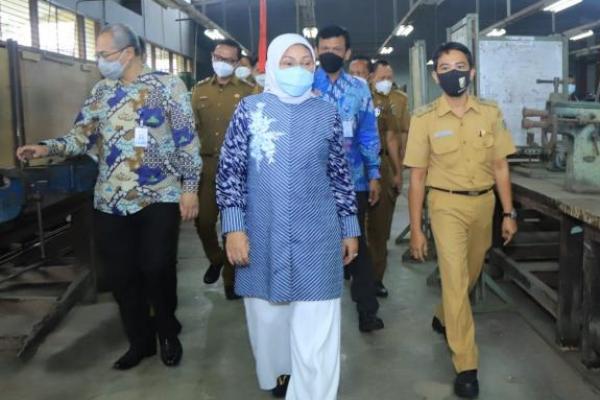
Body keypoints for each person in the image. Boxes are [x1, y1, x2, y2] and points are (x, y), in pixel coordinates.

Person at [16, 23, 201, 370]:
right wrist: (46, 148)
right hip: (111, 199)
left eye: (104, 54)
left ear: (128, 53)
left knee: (157, 267)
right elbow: (80, 137)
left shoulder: (168, 86)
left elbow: (187, 142)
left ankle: (167, 331)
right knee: (121, 274)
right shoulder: (101, 91)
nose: (99, 60)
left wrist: (190, 189)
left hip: (158, 194)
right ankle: (140, 341)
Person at [216, 33, 360, 400]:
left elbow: (339, 175)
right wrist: (234, 229)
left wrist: (349, 228)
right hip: (262, 233)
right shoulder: (249, 110)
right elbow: (230, 173)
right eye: (288, 63)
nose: (299, 70)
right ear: (272, 66)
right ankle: (281, 378)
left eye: (306, 63)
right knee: (268, 324)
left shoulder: (326, 112)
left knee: (317, 338)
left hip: (318, 236)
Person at [404, 42, 518, 399]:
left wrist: (509, 212)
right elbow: (417, 178)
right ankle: (466, 364)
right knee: (454, 278)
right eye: (444, 67)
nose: (453, 73)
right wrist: (416, 230)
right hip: (445, 205)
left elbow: (500, 166)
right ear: (435, 76)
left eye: (459, 66)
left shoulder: (490, 112)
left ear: (471, 72)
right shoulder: (424, 118)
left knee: (469, 272)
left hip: (484, 204)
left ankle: (444, 315)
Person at [313, 25, 384, 332]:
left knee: (357, 245)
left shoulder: (359, 88)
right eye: (325, 48)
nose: (330, 53)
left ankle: (367, 309)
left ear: (347, 53)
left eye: (337, 49)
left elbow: (368, 133)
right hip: (311, 182)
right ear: (317, 50)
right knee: (315, 245)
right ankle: (314, 310)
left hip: (353, 180)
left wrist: (374, 174)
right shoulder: (305, 85)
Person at [191, 39, 254, 299]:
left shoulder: (250, 92)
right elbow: (190, 130)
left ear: (237, 63)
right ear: (212, 57)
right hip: (207, 165)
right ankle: (216, 258)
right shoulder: (199, 91)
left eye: (228, 60)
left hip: (238, 168)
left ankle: (231, 279)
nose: (222, 63)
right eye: (218, 57)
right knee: (204, 221)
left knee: (232, 223)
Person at [367, 60, 410, 297]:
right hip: (358, 166)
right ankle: (358, 272)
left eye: (389, 77)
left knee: (380, 227)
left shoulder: (394, 100)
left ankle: (376, 278)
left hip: (383, 162)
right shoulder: (360, 98)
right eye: (381, 77)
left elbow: (396, 135)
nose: (386, 81)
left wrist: (398, 170)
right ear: (371, 77)